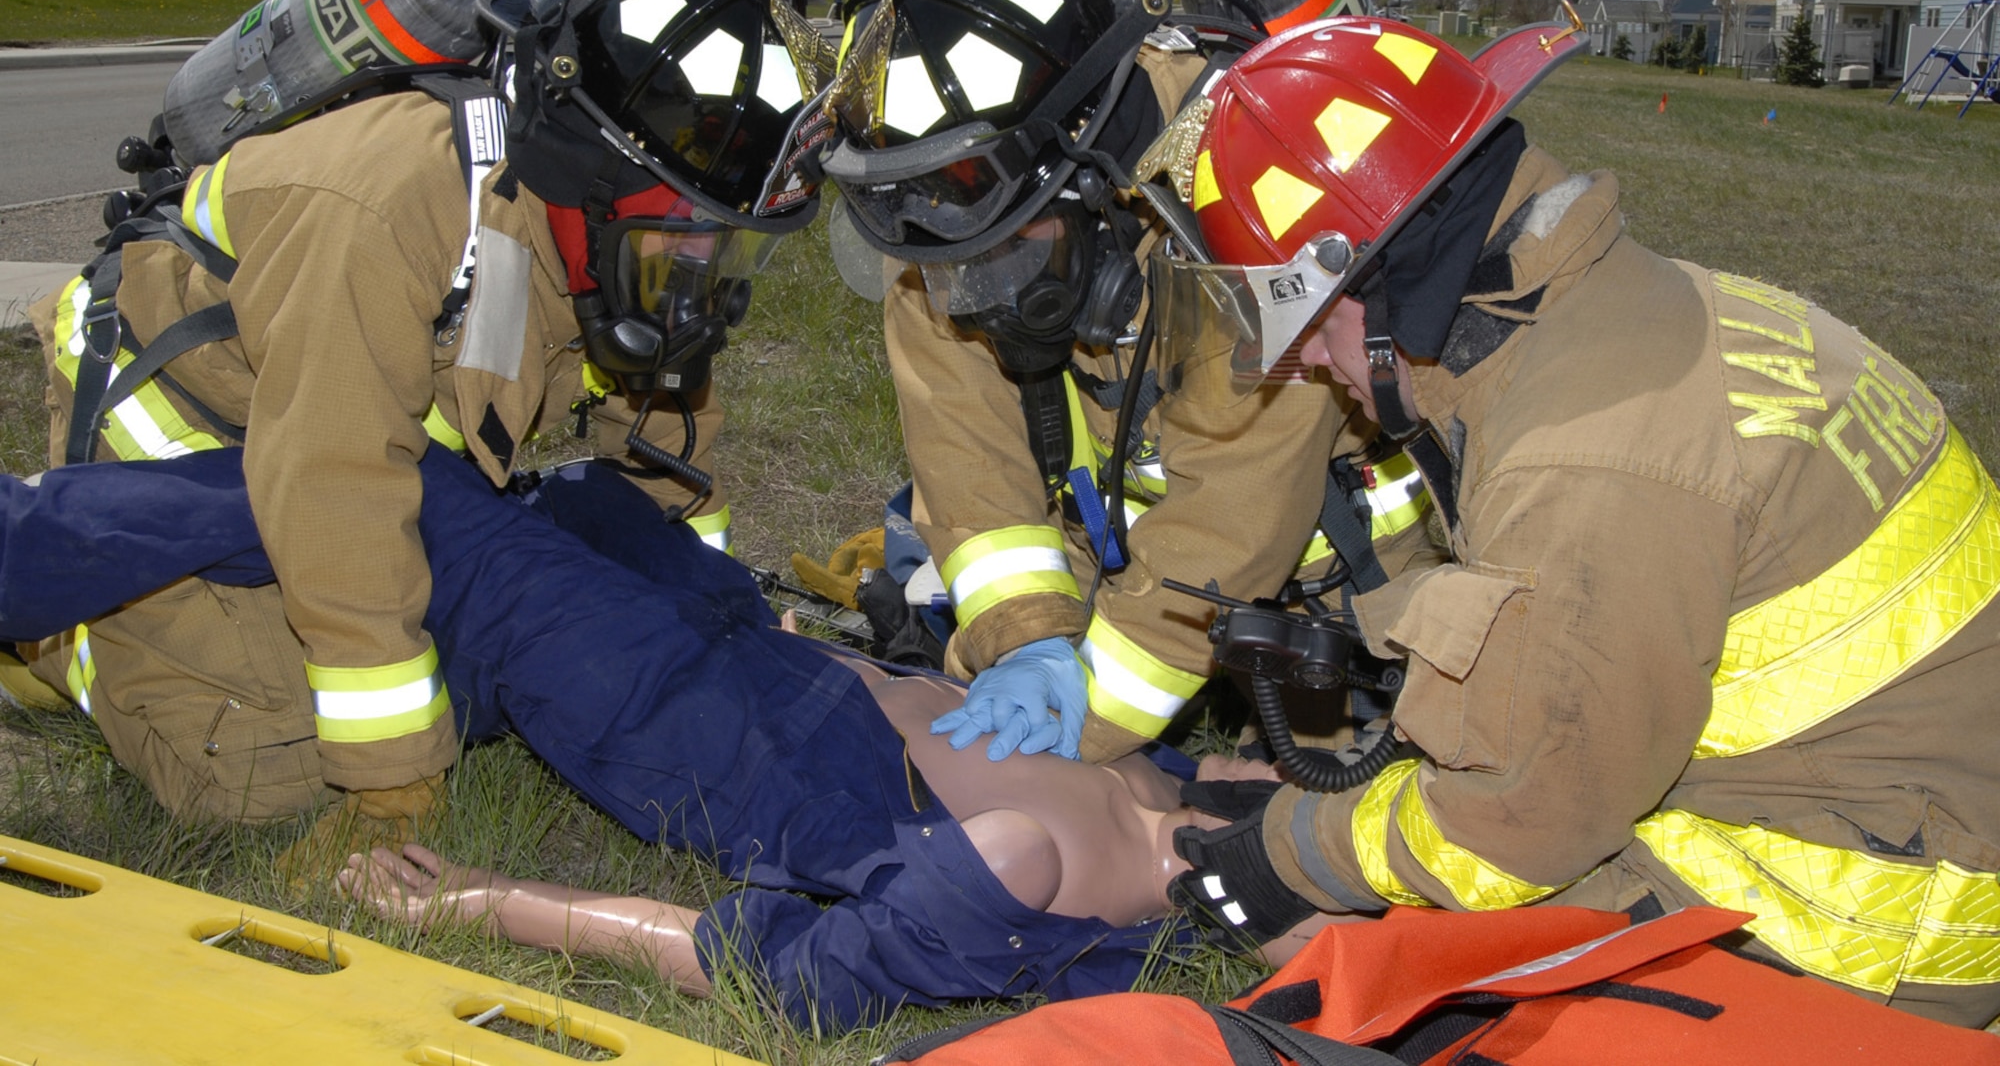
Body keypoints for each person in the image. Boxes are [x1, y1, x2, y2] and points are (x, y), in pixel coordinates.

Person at [1153, 10, 2000, 1026]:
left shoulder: (1582, 461)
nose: (1301, 362)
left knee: (1404, 977)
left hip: (1872, 922)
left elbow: (1521, 822)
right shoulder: (1654, 315)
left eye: (1298, 322)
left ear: (1375, 286)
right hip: (1914, 809)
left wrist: (1289, 856)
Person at [14, 0, 833, 868]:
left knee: (500, 627)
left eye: (730, 251)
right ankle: (72, 642)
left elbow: (659, 444)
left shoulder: (600, 235)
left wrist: (705, 608)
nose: (705, 282)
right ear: (590, 183)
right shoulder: (387, 208)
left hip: (364, 442)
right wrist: (390, 777)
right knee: (256, 772)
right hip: (187, 429)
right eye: (693, 245)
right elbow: (338, 485)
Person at [0, 446, 1277, 1030]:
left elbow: (779, 973)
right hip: (754, 641)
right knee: (569, 492)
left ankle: (21, 552)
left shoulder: (1027, 880)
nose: (1295, 804)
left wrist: (488, 899)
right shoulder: (1183, 782)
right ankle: (380, 661)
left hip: (674, 713)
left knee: (397, 491)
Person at [817, 0, 1428, 769]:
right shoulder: (944, 208)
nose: (969, 288)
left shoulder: (1255, 209)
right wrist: (1027, 638)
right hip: (1125, 571)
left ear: (1085, 172)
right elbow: (968, 462)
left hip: (1339, 598)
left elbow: (1238, 506)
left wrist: (1077, 722)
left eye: (1005, 252)